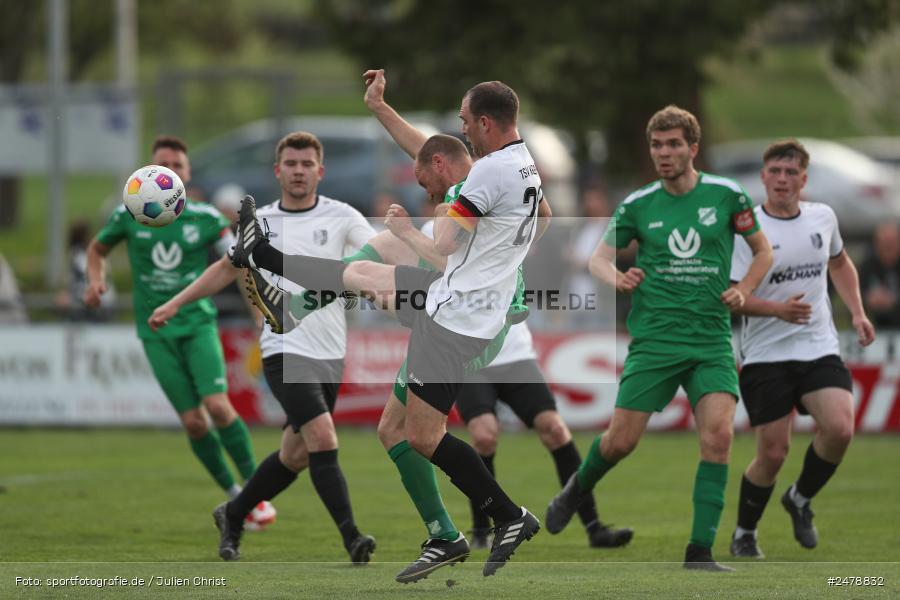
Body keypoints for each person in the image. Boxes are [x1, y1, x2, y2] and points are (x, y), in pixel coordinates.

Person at [230, 78, 552, 577]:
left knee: (423, 435)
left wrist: (409, 231)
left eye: (466, 121)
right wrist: (380, 108)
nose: (462, 129)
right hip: (464, 307)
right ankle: (446, 535)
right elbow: (537, 211)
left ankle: (508, 515)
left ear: (484, 123)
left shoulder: (485, 175)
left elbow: (441, 249)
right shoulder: (520, 164)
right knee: (391, 420)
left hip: (459, 317)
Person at [545, 105, 774, 571]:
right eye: (657, 145)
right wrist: (615, 277)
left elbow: (763, 252)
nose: (664, 153)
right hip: (655, 342)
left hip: (710, 340)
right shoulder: (638, 204)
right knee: (620, 442)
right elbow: (597, 259)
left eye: (673, 144)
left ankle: (699, 552)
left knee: (719, 437)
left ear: (693, 148)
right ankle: (578, 487)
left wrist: (744, 289)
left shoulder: (728, 196)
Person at [149, 132, 377, 564]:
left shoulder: (343, 216)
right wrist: (175, 303)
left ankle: (233, 513)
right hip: (284, 348)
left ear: (319, 171)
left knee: (296, 454)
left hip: (331, 353)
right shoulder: (262, 224)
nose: (298, 170)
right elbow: (223, 268)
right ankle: (352, 537)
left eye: (306, 164)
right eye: (290, 163)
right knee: (324, 439)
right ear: (277, 171)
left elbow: (371, 256)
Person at [84, 135, 274, 529]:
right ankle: (236, 496)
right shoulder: (128, 216)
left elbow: (237, 262)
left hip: (197, 322)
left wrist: (257, 308)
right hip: (154, 333)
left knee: (219, 407)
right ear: (146, 176)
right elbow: (97, 251)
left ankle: (257, 492)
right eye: (161, 166)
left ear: (186, 176)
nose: (168, 172)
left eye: (177, 167)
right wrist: (95, 281)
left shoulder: (205, 218)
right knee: (193, 422)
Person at [728, 139, 875, 559]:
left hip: (818, 346)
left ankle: (800, 498)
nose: (782, 179)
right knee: (773, 454)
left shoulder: (822, 217)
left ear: (804, 180)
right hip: (766, 355)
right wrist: (777, 310)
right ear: (763, 177)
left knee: (841, 429)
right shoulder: (748, 230)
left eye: (791, 172)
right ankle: (745, 532)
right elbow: (734, 296)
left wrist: (859, 313)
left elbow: (840, 263)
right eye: (775, 171)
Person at [456, 319, 634, 550]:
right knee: (483, 436)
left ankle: (594, 528)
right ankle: (482, 531)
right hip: (470, 360)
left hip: (516, 356)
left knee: (556, 430)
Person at [858, 221, 900, 329]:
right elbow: (855, 293)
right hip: (873, 327)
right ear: (876, 243)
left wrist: (894, 300)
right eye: (884, 242)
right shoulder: (867, 266)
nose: (888, 247)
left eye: (892, 242)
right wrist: (868, 298)